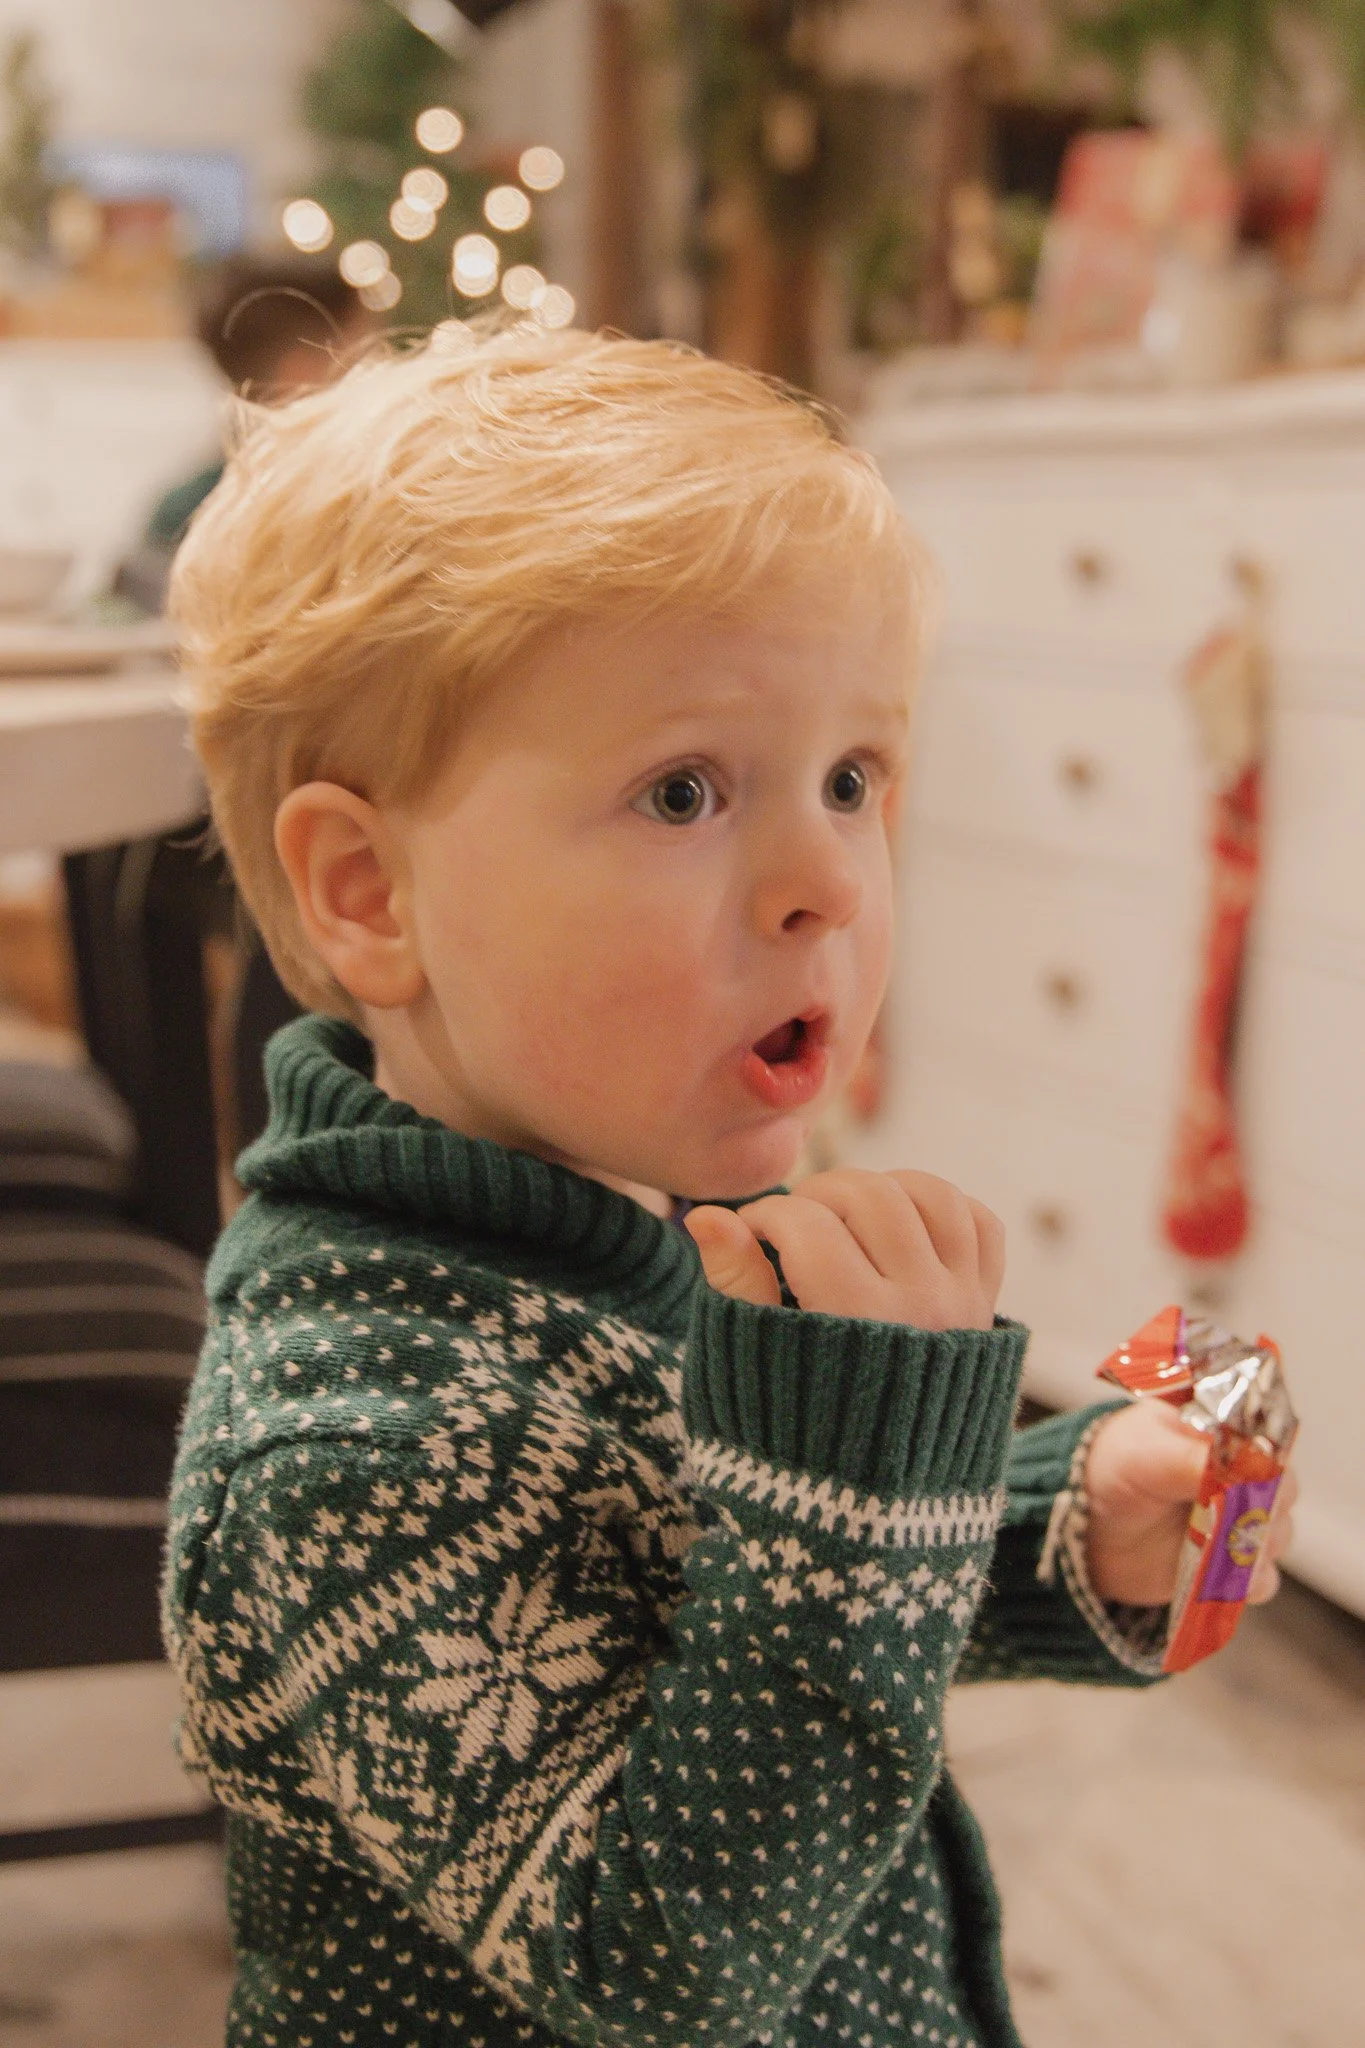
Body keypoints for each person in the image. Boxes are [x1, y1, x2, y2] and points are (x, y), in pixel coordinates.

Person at [162, 324, 1294, 2048]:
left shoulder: (621, 1210)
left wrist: (1057, 1521)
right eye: (684, 791)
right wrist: (862, 1464)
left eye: (853, 779)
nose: (823, 879)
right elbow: (654, 1964)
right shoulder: (349, 1437)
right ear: (371, 893)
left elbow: (713, 1600)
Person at [115, 255, 368, 613]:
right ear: (301, 374)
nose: (381, 374)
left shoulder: (181, 507)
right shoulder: (348, 514)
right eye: (366, 355)